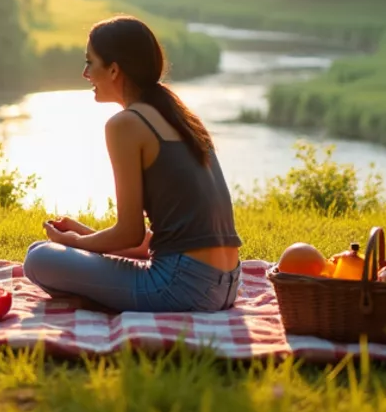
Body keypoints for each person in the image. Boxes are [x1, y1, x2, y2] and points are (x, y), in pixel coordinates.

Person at [22, 15, 242, 312]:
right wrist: (83, 235)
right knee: (42, 249)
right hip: (227, 284)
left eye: (90, 62)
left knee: (39, 259)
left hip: (183, 287)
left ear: (114, 70)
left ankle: (99, 299)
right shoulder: (181, 117)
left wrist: (75, 242)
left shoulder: (126, 124)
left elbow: (130, 234)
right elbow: (158, 240)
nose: (85, 73)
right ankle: (104, 293)